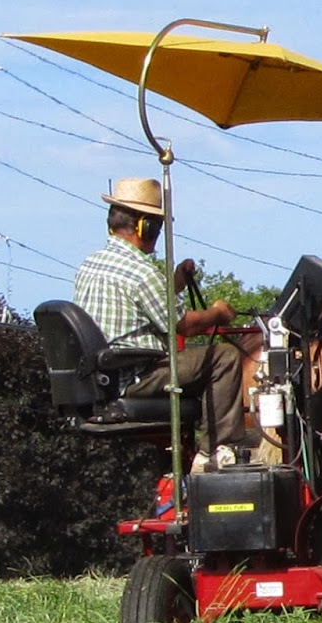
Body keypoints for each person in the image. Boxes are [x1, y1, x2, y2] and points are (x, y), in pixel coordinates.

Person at [74, 177, 246, 462]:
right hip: (137, 376)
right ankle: (215, 450)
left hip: (103, 377)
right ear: (146, 226)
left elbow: (139, 303)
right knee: (224, 356)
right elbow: (186, 326)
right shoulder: (141, 272)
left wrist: (176, 283)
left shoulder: (90, 263)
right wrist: (218, 313)